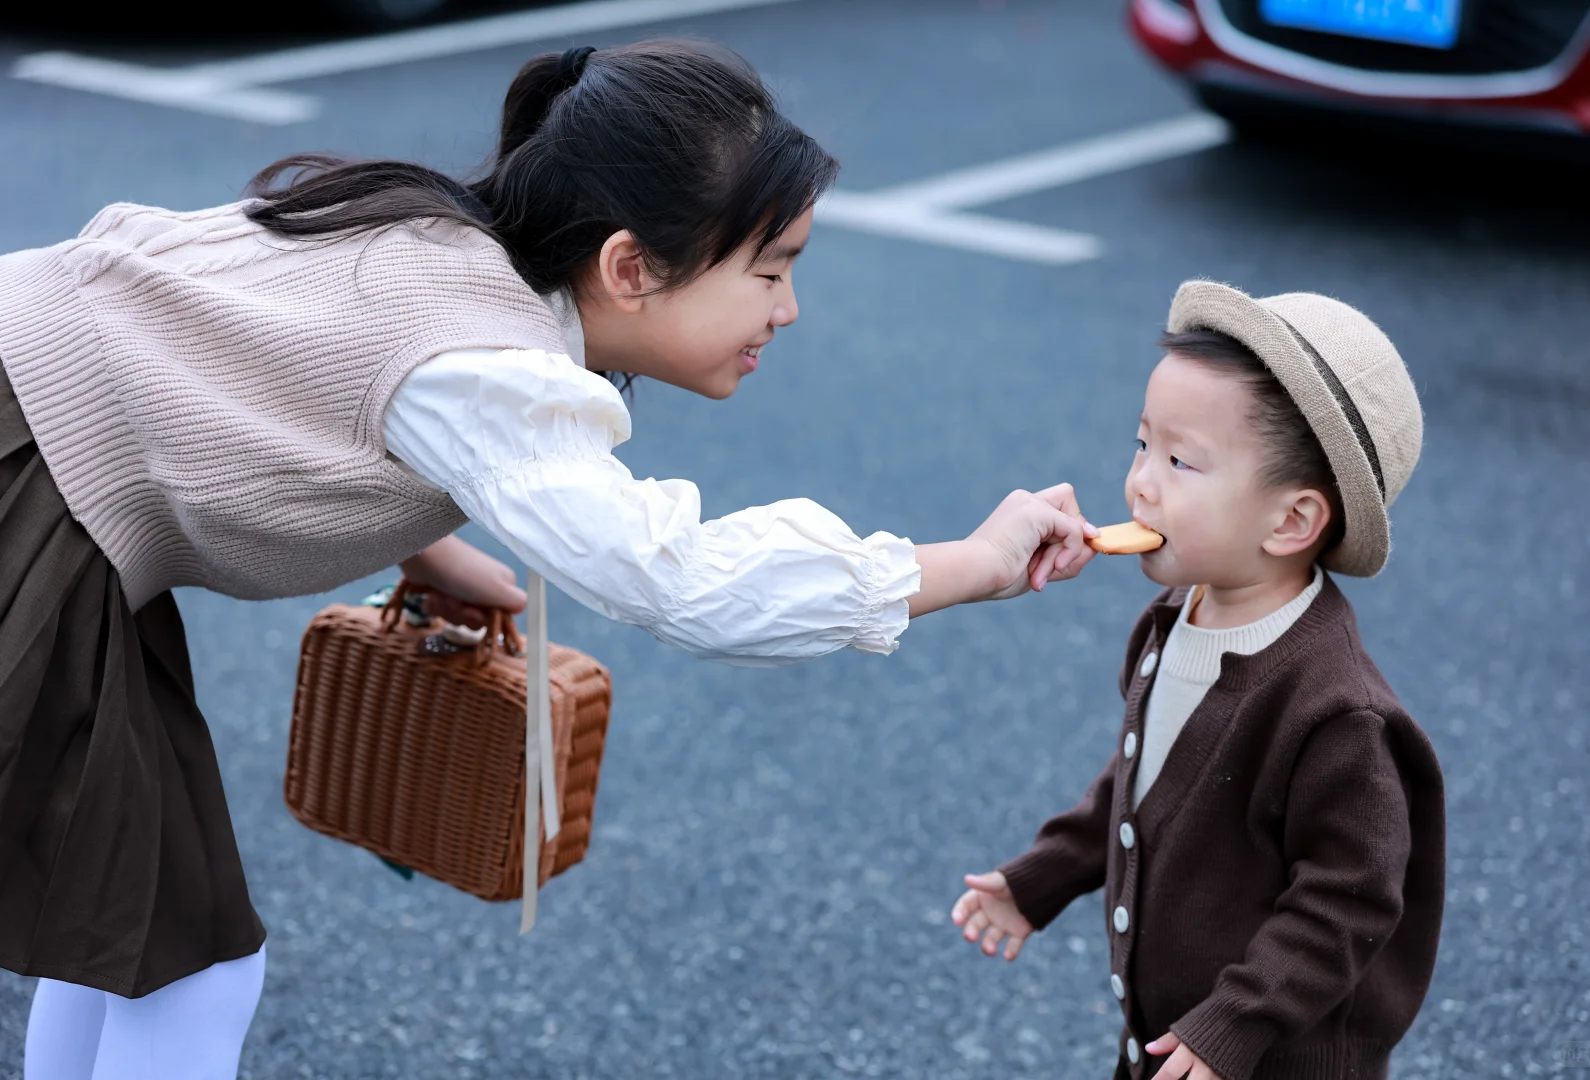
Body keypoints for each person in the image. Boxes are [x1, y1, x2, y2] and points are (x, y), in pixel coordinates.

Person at [1, 40, 1099, 1080]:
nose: (790, 308)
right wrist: (971, 563)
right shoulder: (491, 359)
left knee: (136, 928)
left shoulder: (431, 236)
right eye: (770, 270)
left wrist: (423, 543)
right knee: (180, 959)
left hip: (48, 483)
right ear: (629, 265)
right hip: (29, 505)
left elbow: (238, 356)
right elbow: (681, 579)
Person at [949, 282, 1446, 1080]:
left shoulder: (1336, 711)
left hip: (1273, 1057)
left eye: (1180, 461)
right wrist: (1040, 876)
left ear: (1290, 522)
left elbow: (1349, 899)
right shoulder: (1172, 618)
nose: (1142, 482)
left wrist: (1231, 1026)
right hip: (1174, 1044)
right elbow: (1140, 789)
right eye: (1142, 444)